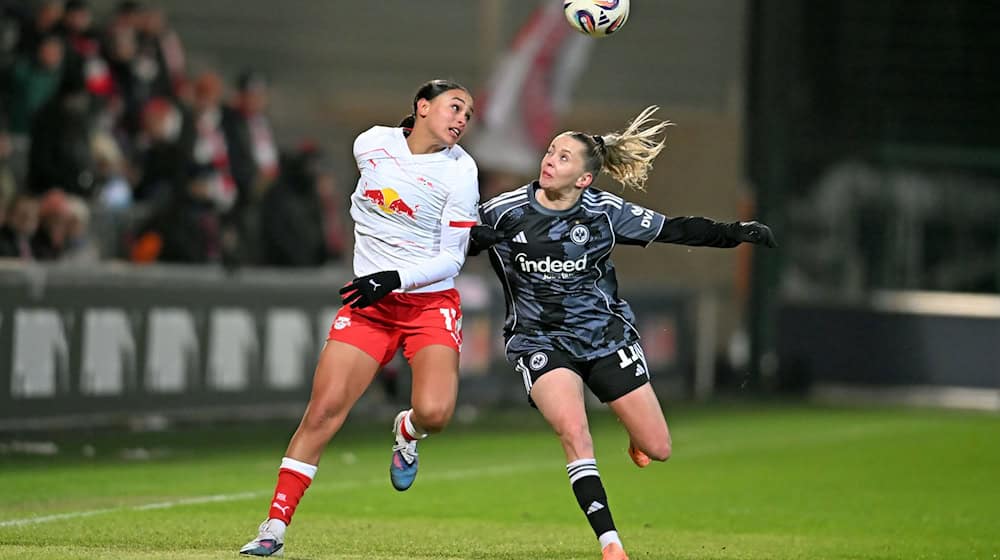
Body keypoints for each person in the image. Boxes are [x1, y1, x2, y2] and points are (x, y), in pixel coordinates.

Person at [470, 106, 776, 560]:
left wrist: (736, 232)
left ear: (584, 179)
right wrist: (471, 240)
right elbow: (448, 241)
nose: (550, 160)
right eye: (551, 151)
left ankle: (634, 431)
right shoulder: (502, 211)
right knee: (574, 430)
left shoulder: (604, 212)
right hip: (540, 341)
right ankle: (610, 543)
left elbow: (673, 228)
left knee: (659, 447)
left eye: (564, 157)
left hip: (604, 338)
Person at [239, 79, 479, 556]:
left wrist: (394, 277)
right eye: (455, 108)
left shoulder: (462, 172)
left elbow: (453, 260)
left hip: (428, 304)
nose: (461, 120)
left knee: (436, 412)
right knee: (323, 412)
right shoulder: (370, 144)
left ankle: (407, 430)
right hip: (369, 304)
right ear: (423, 106)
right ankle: (273, 527)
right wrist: (375, 274)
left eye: (468, 116)